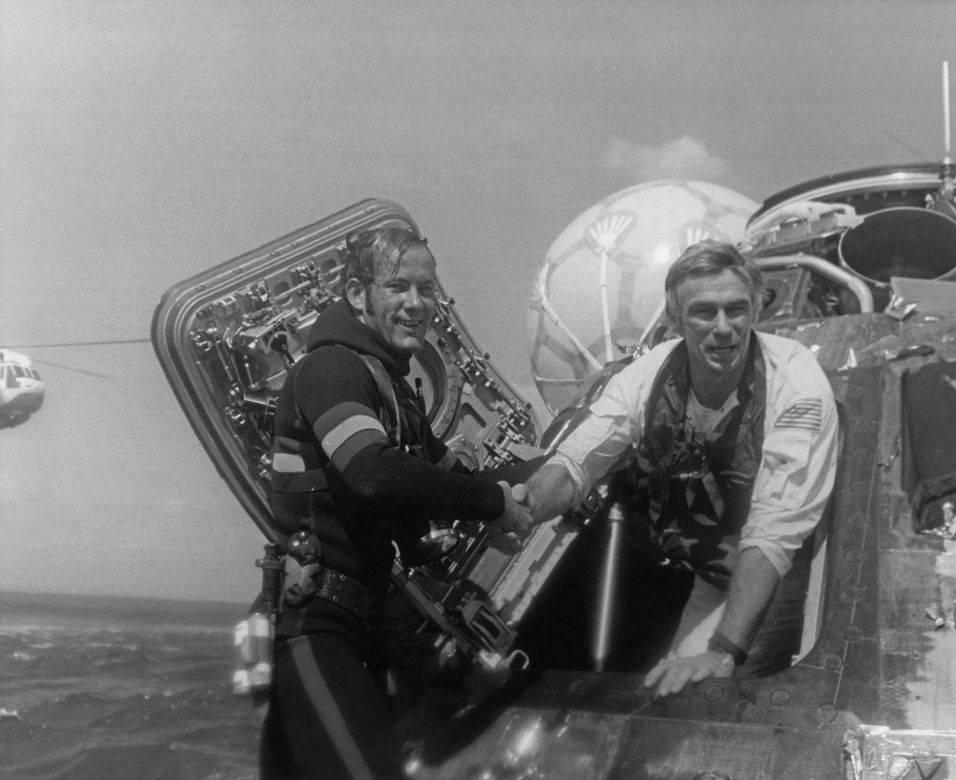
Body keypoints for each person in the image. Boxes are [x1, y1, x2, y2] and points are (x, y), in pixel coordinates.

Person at [259, 226, 535, 780]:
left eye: (427, 289)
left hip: (363, 631)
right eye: (397, 287)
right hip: (317, 628)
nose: (416, 303)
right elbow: (371, 471)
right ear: (358, 295)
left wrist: (562, 468)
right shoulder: (330, 369)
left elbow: (458, 479)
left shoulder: (395, 393)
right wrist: (494, 504)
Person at [519, 239, 838, 696]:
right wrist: (527, 504)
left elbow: (773, 532)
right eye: (704, 312)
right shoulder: (648, 375)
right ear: (675, 320)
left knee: (690, 694)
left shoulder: (797, 387)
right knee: (536, 664)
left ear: (755, 311)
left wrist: (722, 651)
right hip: (649, 556)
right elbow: (577, 463)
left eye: (736, 309)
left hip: (733, 574)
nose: (723, 328)